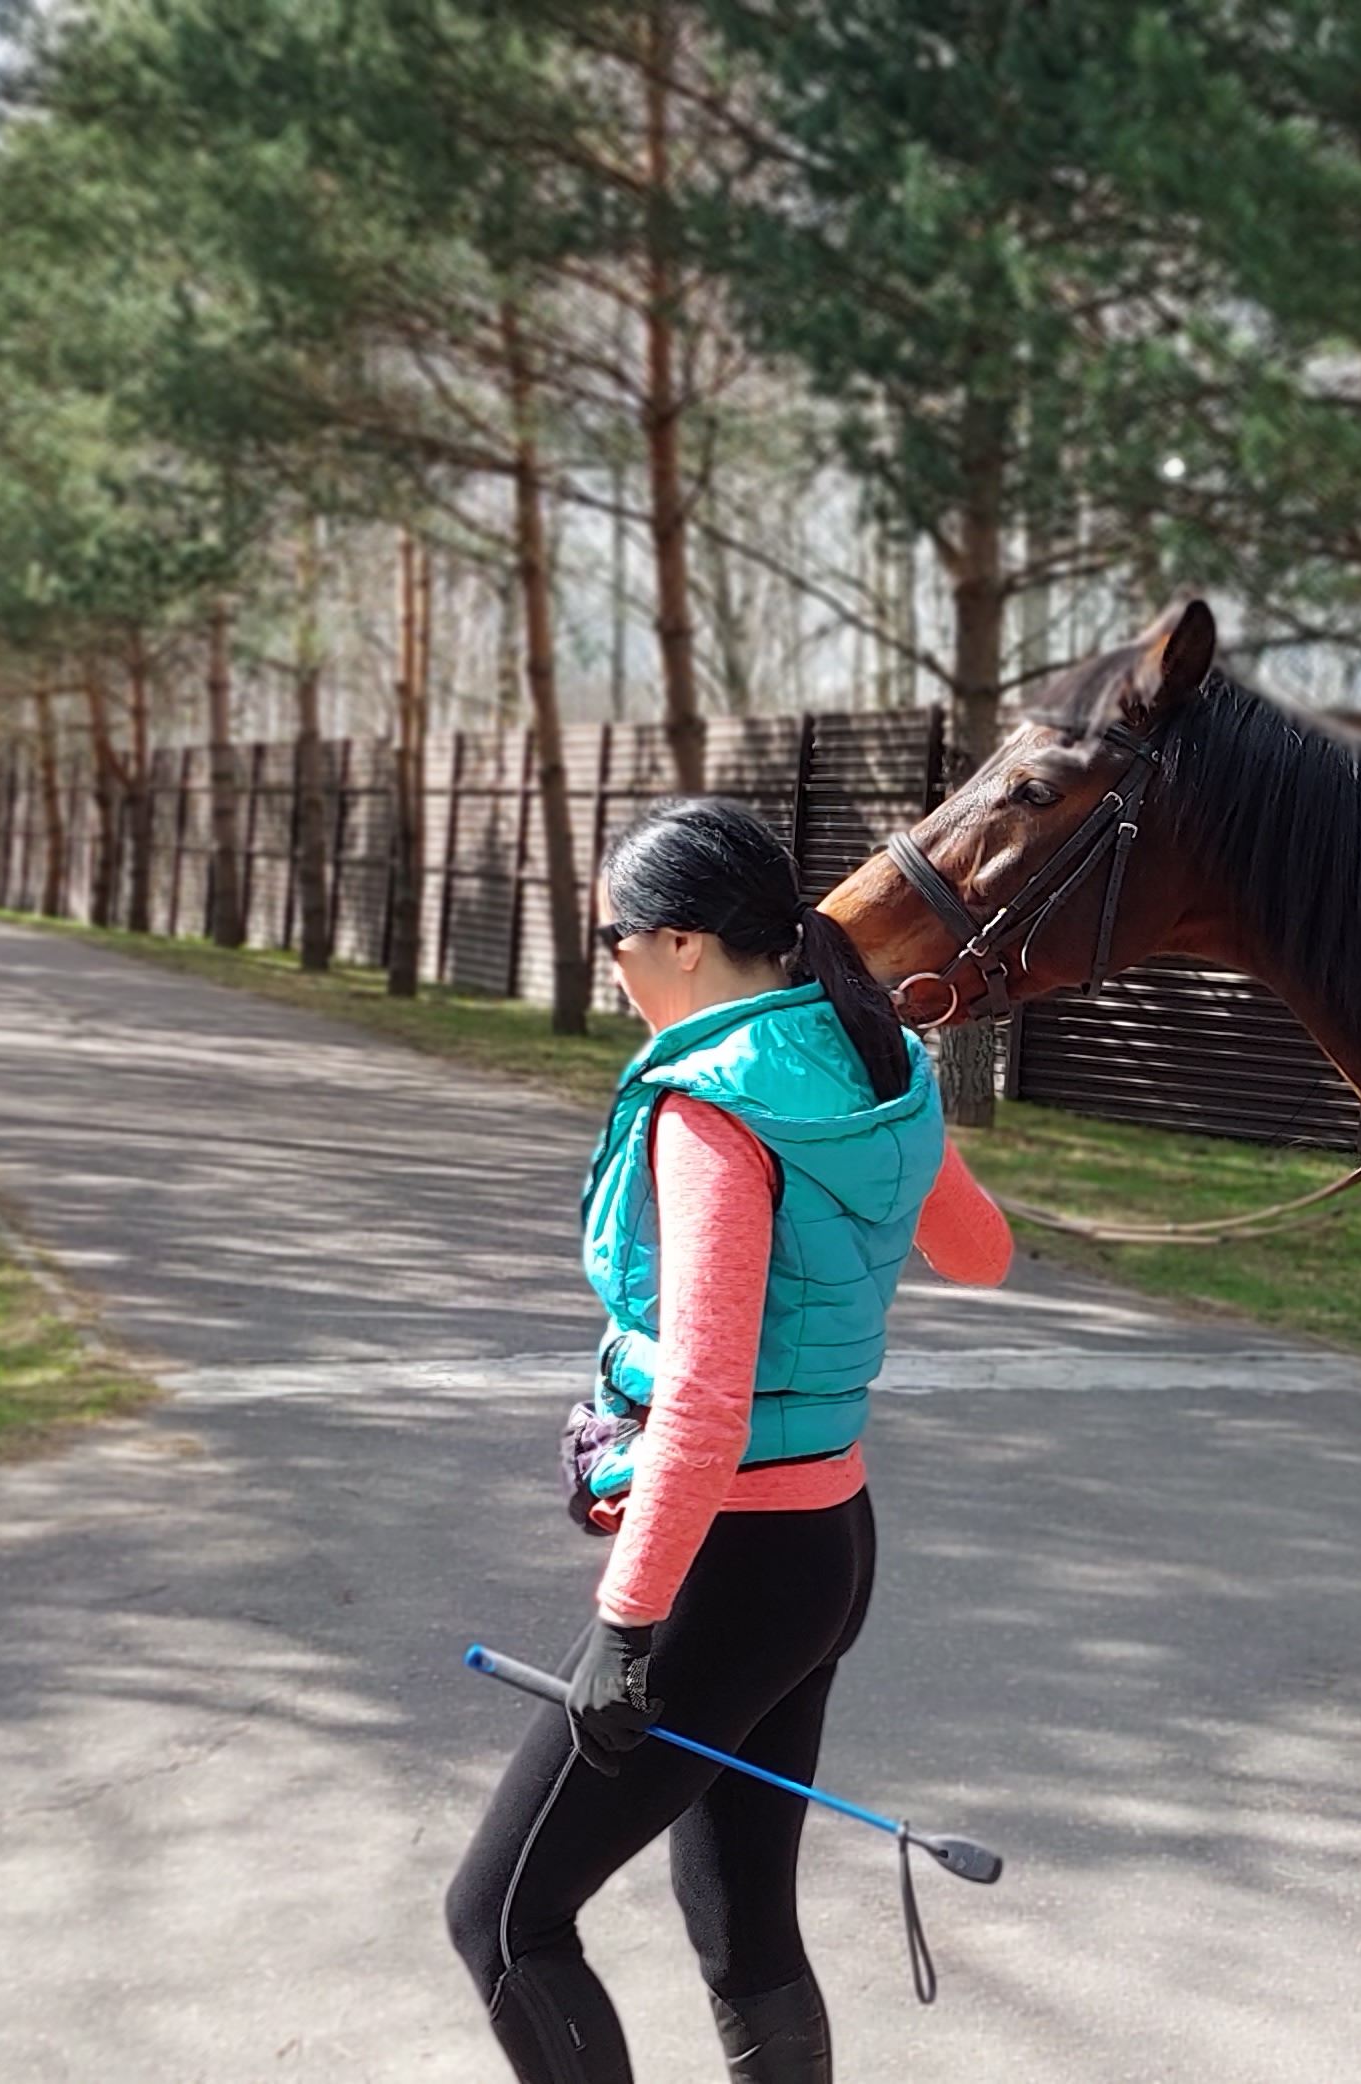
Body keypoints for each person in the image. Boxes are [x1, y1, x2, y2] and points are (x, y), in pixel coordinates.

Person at [449, 797, 1013, 2084]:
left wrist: (626, 1627)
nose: (613, 962)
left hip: (727, 1563)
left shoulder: (713, 1108)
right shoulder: (872, 1060)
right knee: (740, 1918)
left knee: (501, 1917)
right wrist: (887, 1164)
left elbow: (702, 1403)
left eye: (612, 935)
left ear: (686, 943)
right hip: (826, 1549)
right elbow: (980, 1254)